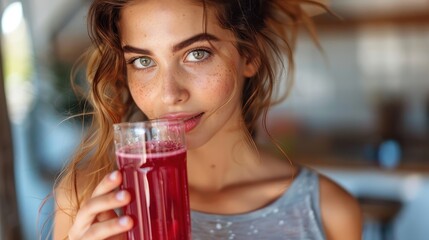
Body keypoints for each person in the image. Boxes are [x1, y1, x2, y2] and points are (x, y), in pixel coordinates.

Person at [52, 0, 363, 239]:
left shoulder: (327, 211)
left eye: (197, 53)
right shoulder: (87, 199)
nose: (170, 93)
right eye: (143, 61)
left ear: (250, 54)